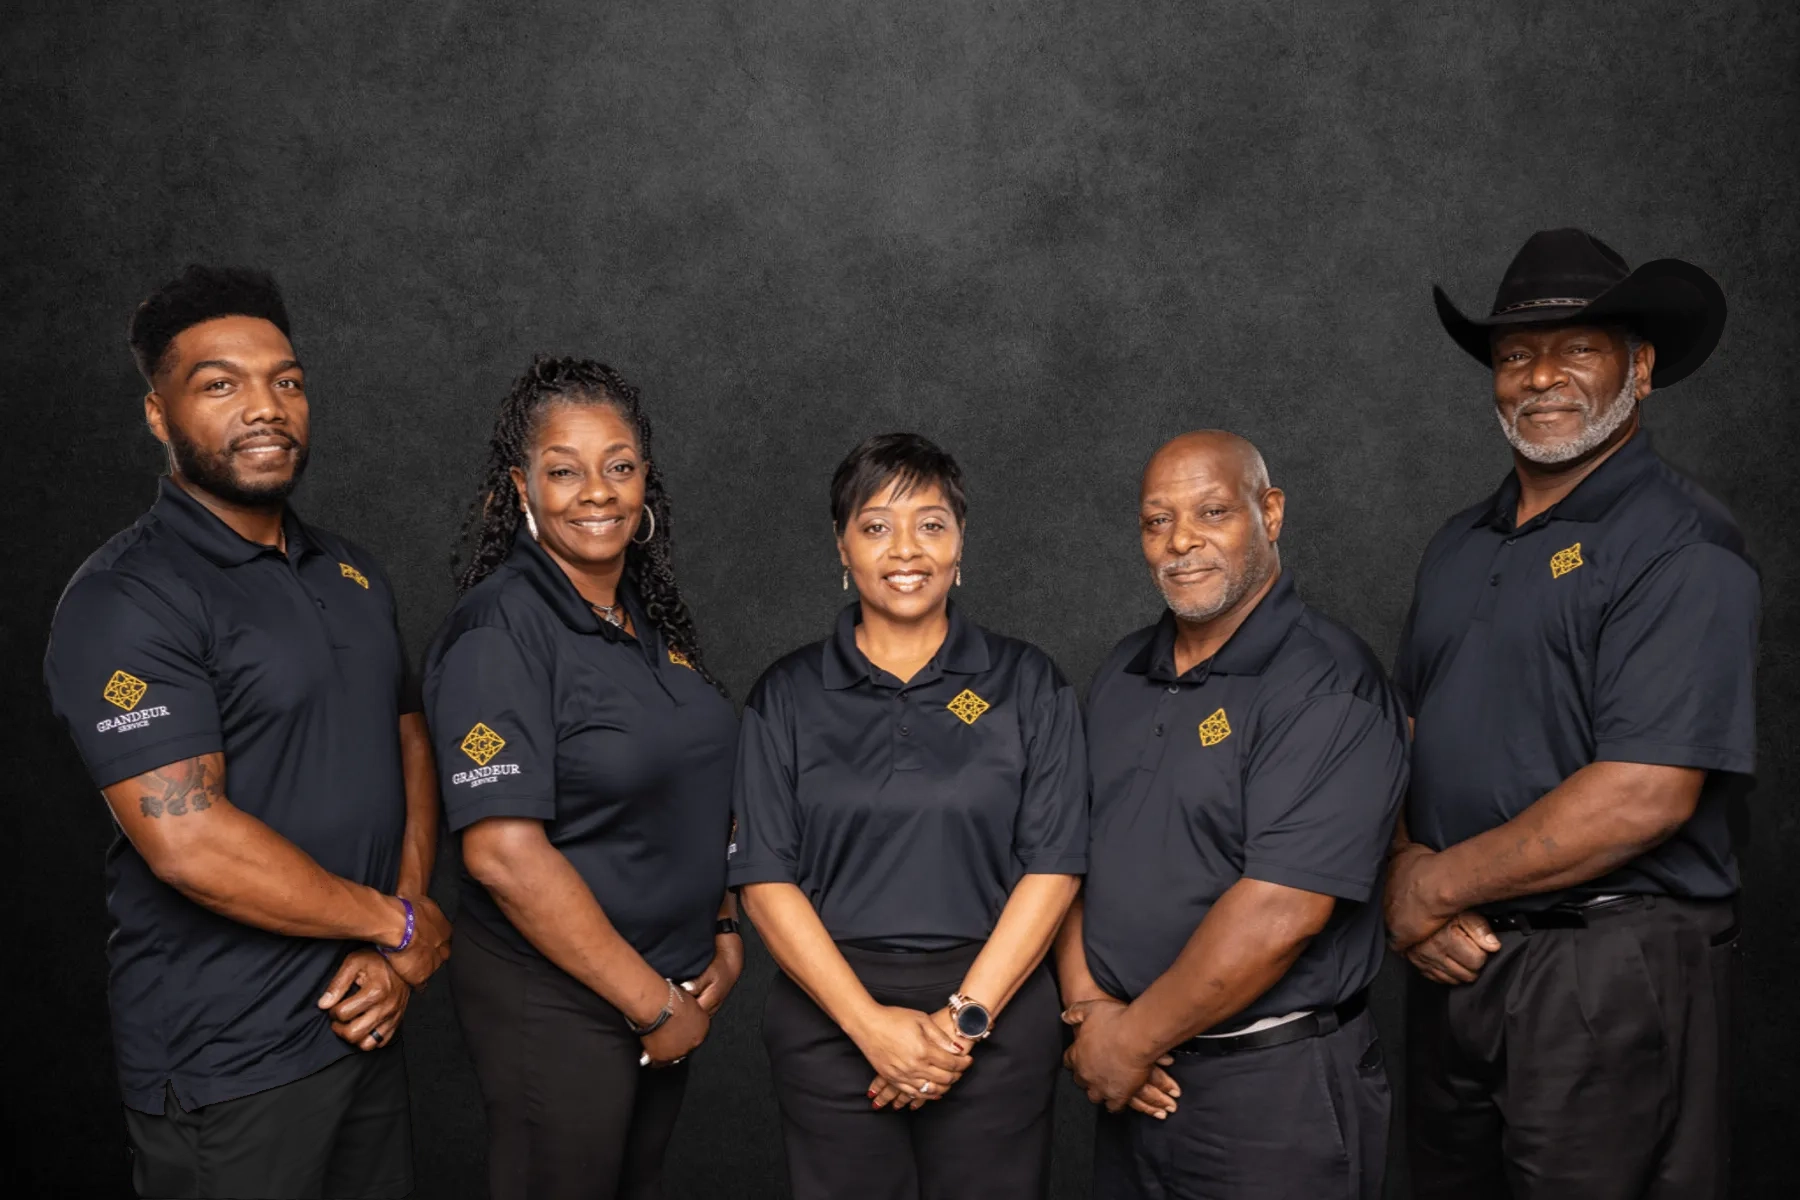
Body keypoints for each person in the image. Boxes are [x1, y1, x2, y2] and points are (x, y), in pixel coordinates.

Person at [42, 265, 450, 1199]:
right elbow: (189, 842)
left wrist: (400, 938)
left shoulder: (349, 569)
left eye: (287, 381)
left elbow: (410, 742)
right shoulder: (126, 598)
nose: (266, 408)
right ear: (159, 415)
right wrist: (398, 922)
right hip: (227, 1062)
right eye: (220, 384)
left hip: (361, 1026)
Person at [1388, 228, 1757, 1199]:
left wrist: (1432, 890)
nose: (1540, 375)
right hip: (1458, 969)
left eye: (1576, 348)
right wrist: (1399, 877)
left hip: (1611, 967)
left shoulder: (1679, 542)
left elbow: (1645, 793)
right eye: (1515, 355)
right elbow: (1407, 739)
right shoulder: (1458, 545)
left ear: (1640, 369)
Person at [729, 432, 1087, 1200]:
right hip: (832, 1026)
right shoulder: (786, 696)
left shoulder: (1029, 684)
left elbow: (1054, 864)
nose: (906, 549)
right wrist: (870, 1028)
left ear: (961, 544)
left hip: (995, 1020)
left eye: (931, 524)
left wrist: (958, 1027)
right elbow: (763, 877)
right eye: (876, 525)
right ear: (842, 547)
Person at [1060, 430, 1407, 1200]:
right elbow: (1069, 860)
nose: (1181, 541)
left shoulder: (1324, 684)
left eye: (1212, 511)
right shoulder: (1121, 672)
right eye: (1157, 521)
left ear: (1270, 512)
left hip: (1272, 1094)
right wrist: (1090, 1011)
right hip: (1133, 1081)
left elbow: (1281, 912)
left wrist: (1131, 1039)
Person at [424, 356, 740, 1200]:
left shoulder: (640, 615)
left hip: (664, 988)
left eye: (620, 466)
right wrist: (655, 1004)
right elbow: (501, 855)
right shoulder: (500, 631)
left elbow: (691, 782)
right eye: (564, 470)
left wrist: (723, 926)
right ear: (521, 488)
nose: (597, 491)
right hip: (562, 1004)